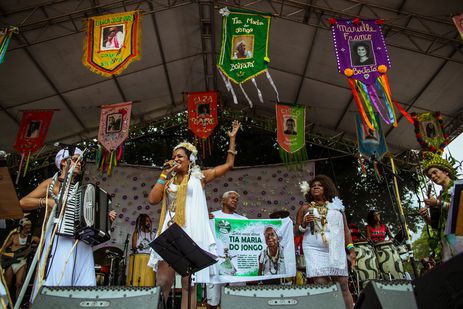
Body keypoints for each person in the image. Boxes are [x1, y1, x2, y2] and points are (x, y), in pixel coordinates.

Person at [148, 120, 240, 309]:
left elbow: (229, 165)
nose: (176, 159)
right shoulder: (168, 179)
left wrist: (232, 140)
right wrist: (164, 174)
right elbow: (152, 200)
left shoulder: (200, 177)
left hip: (191, 233)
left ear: (190, 159)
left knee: (188, 283)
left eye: (180, 156)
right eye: (174, 156)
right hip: (169, 231)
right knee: (163, 281)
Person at [19, 147, 116, 300]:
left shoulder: (81, 188)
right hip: (60, 236)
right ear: (64, 162)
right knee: (59, 278)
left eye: (81, 161)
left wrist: (104, 219)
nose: (80, 164)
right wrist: (46, 201)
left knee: (85, 282)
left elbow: (90, 217)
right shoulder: (52, 183)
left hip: (81, 240)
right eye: (77, 159)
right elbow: (23, 202)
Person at [295, 175, 356, 309]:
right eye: (313, 186)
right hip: (313, 249)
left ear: (326, 188)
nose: (315, 187)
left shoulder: (337, 206)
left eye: (319, 185)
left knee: (342, 283)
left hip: (335, 248)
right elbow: (296, 231)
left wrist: (351, 250)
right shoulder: (305, 208)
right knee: (321, 282)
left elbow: (345, 231)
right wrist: (304, 224)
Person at [419, 153, 463, 262]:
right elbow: (435, 224)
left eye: (435, 172)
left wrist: (438, 203)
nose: (433, 177)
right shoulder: (438, 197)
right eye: (430, 176)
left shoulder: (458, 187)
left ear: (446, 171)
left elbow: (459, 208)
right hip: (447, 243)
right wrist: (425, 217)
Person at [207, 191, 246, 309]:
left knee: (237, 295)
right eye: (232, 198)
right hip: (216, 260)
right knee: (213, 298)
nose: (235, 200)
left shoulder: (243, 219)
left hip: (236, 260)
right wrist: (204, 219)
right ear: (223, 201)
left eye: (236, 199)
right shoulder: (212, 216)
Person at [1, 218, 39, 298]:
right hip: (11, 262)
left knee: (19, 283)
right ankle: (6, 303)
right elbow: (3, 248)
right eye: (26, 227)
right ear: (21, 227)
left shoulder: (32, 238)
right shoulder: (13, 236)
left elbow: (41, 243)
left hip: (22, 262)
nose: (28, 229)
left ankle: (16, 304)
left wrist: (33, 248)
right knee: (8, 283)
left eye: (29, 227)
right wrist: (7, 255)